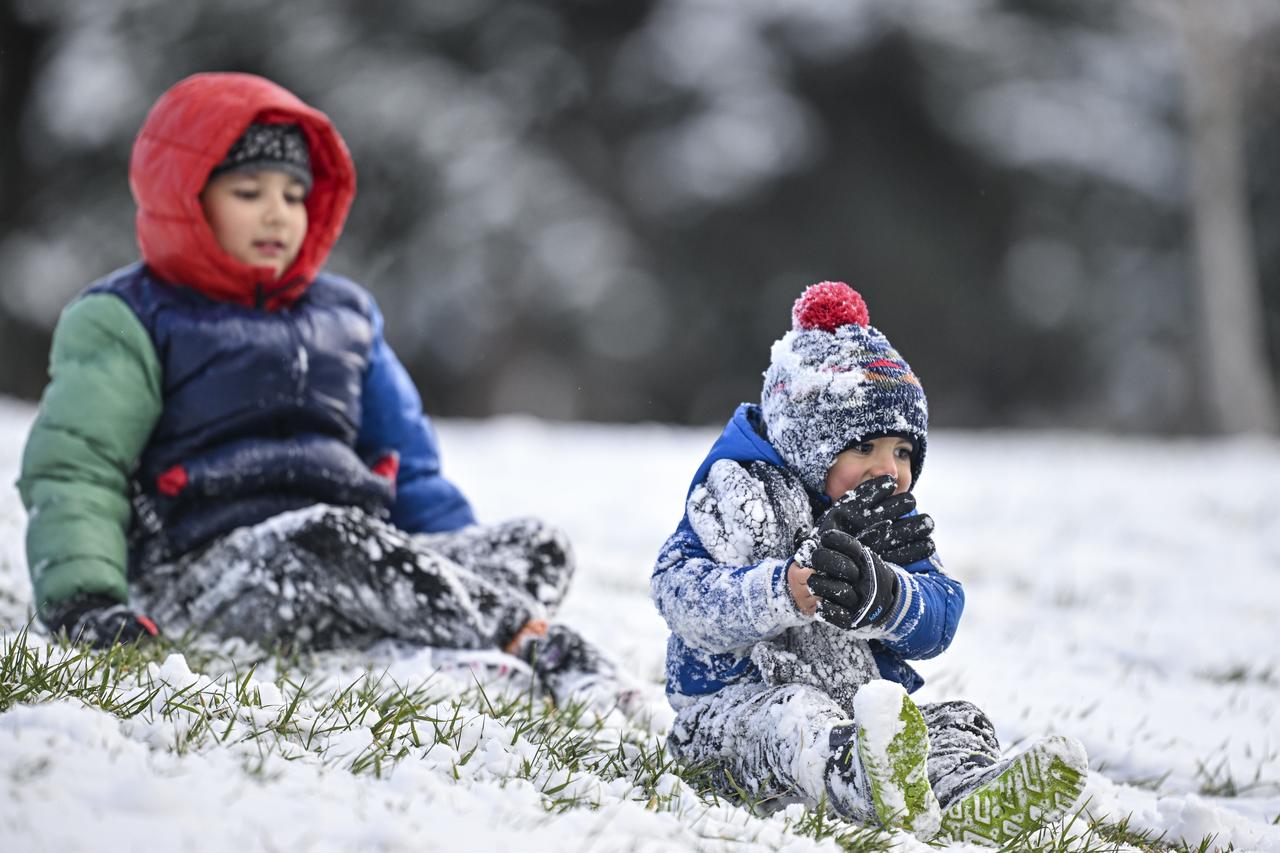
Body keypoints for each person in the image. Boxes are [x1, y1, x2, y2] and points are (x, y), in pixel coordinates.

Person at [17, 71, 615, 707]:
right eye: (249, 191)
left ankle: (415, 639)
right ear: (184, 197)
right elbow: (79, 467)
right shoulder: (130, 316)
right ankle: (531, 642)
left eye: (296, 194)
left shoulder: (347, 317)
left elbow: (412, 471)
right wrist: (87, 600)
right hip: (205, 577)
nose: (278, 212)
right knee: (329, 537)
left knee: (539, 546)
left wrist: (453, 562)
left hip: (353, 556)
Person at [650, 281, 1088, 846]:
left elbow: (940, 615)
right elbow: (678, 591)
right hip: (727, 725)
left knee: (957, 721)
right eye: (864, 448)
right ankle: (864, 780)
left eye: (902, 451)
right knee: (795, 716)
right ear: (810, 443)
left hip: (862, 716)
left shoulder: (886, 523)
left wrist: (887, 597)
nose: (889, 469)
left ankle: (970, 794)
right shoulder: (738, 498)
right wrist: (786, 592)